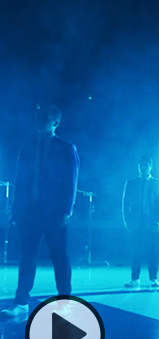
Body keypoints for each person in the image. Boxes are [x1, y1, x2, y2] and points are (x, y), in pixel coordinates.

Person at [1, 104, 79, 317]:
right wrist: (16, 211)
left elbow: (71, 182)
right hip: (30, 211)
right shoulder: (27, 148)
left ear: (55, 123)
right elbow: (20, 180)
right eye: (37, 117)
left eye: (44, 118)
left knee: (60, 257)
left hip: (54, 212)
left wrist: (66, 211)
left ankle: (65, 301)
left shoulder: (66, 148)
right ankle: (21, 302)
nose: (39, 121)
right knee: (27, 256)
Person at [122, 155, 159, 289]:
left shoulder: (158, 184)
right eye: (141, 165)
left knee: (152, 251)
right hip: (136, 223)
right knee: (135, 251)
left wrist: (158, 221)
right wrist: (127, 221)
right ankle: (135, 278)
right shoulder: (131, 183)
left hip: (151, 223)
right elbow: (124, 204)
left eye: (145, 166)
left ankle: (154, 278)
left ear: (151, 167)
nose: (143, 168)